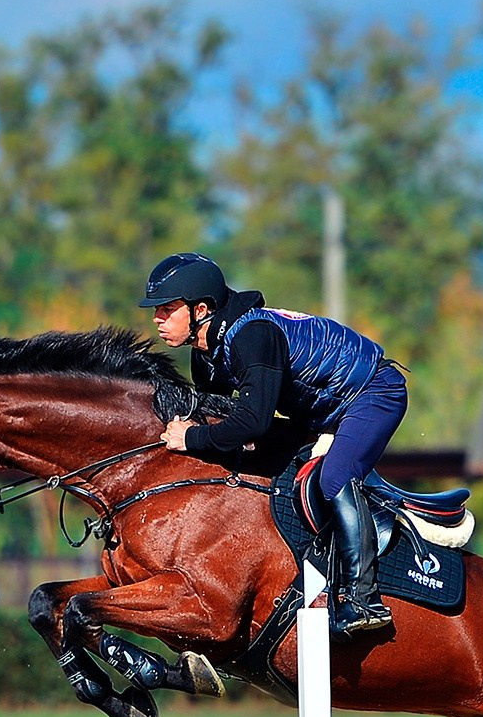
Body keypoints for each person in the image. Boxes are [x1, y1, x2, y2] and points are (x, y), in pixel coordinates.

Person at [142, 251, 406, 637]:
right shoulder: (206, 356)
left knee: (333, 478)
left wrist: (191, 437)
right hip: (319, 411)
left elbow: (251, 421)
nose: (157, 319)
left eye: (166, 309)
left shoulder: (252, 335)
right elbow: (231, 426)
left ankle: (363, 600)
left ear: (201, 309)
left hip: (374, 393)